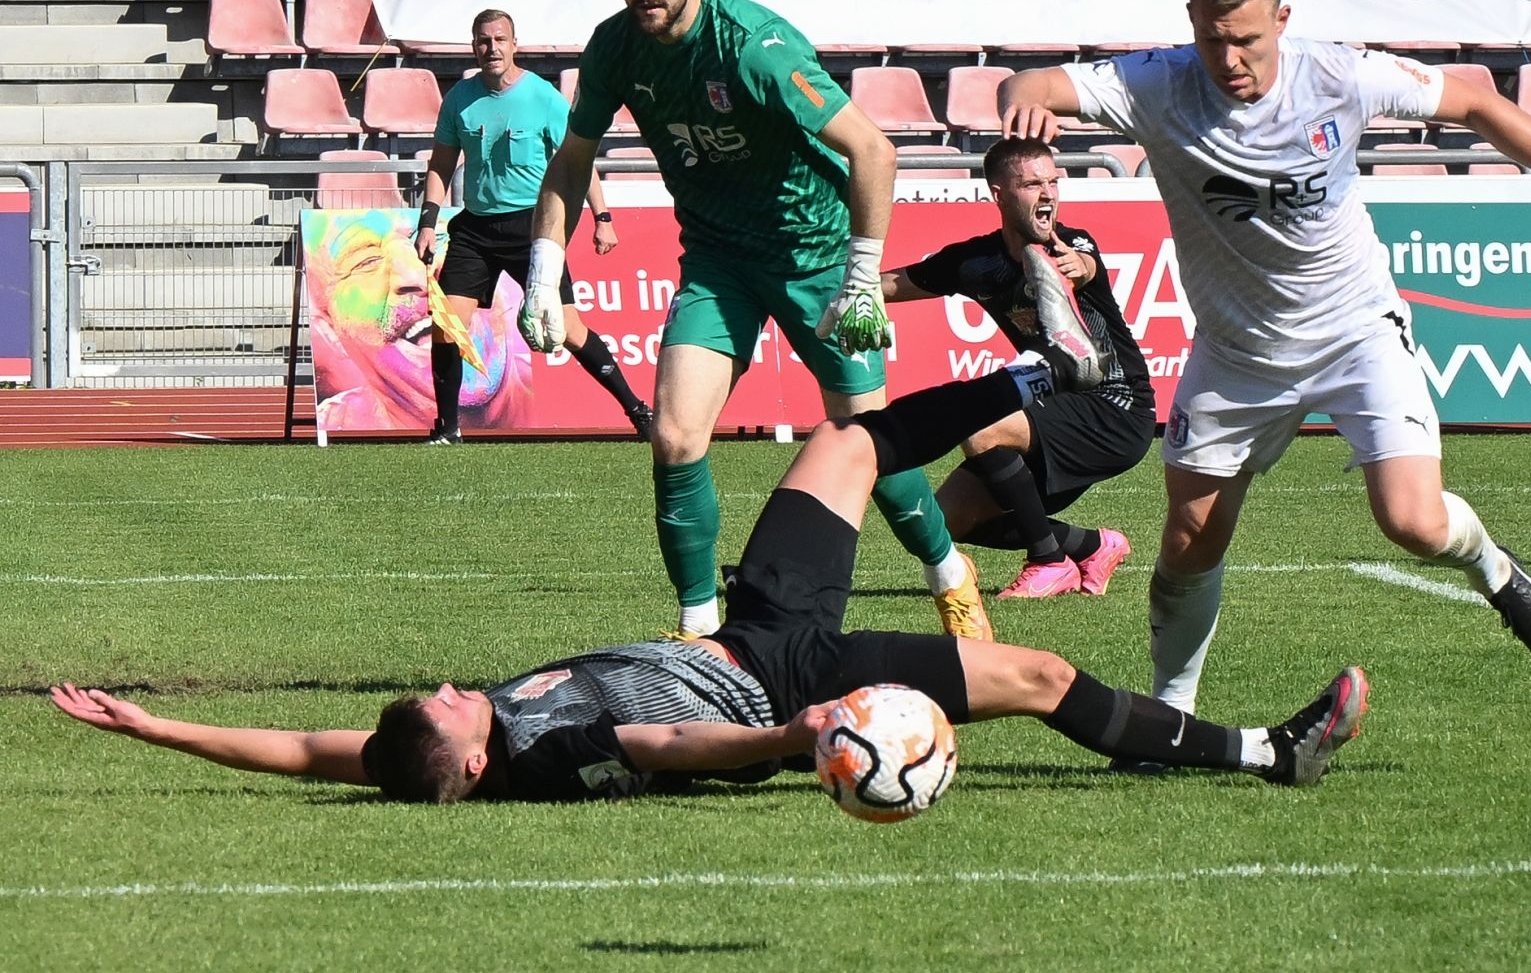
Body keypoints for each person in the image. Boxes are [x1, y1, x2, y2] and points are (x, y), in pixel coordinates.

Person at [49, 340, 1369, 803]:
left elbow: (303, 752)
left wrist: (152, 721)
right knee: (1035, 673)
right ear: (469, 764)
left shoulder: (438, 747)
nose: (454, 684)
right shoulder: (554, 748)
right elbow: (668, 742)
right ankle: (1262, 754)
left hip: (754, 625)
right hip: (787, 673)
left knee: (843, 441)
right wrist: (796, 735)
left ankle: (1031, 379)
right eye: (446, 706)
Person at [999, 0, 1531, 722]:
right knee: (1189, 542)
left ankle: (1499, 572)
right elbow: (1029, 81)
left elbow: (1477, 105)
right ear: (1191, 25)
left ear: (1283, 20)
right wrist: (1024, 100)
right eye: (1213, 38)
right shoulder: (1158, 81)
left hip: (1356, 332)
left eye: (1247, 39)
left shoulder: (1340, 74)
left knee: (1412, 520)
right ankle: (1169, 719)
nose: (1230, 58)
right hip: (1238, 353)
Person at [521, 0, 987, 643]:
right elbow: (572, 161)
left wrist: (863, 274)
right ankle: (701, 635)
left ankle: (948, 573)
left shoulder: (753, 45)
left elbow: (874, 150)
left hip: (815, 257)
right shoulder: (613, 48)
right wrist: (544, 269)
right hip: (718, 260)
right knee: (674, 437)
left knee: (865, 439)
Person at [881, 137, 1153, 599]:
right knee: (944, 519)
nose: (1048, 192)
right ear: (999, 194)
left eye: (1052, 181)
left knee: (982, 425)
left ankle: (1047, 563)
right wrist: (840, 286)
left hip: (1115, 406)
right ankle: (1092, 546)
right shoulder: (974, 261)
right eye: (1032, 183)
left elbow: (1083, 264)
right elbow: (892, 284)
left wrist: (1071, 267)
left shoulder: (1072, 242)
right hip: (1052, 410)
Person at [414, 8, 652, 445]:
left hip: (535, 227)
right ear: (473, 46)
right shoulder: (459, 99)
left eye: (500, 39)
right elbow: (441, 164)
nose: (492, 48)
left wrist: (603, 218)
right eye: (484, 41)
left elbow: (579, 162)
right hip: (476, 229)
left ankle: (638, 411)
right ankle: (447, 429)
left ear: (514, 44)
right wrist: (427, 222)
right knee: (447, 325)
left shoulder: (543, 97)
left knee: (569, 330)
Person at [305, 207, 530, 434]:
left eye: (440, 237)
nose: (417, 276)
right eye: (366, 261)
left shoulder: (558, 393)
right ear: (329, 330)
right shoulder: (336, 423)